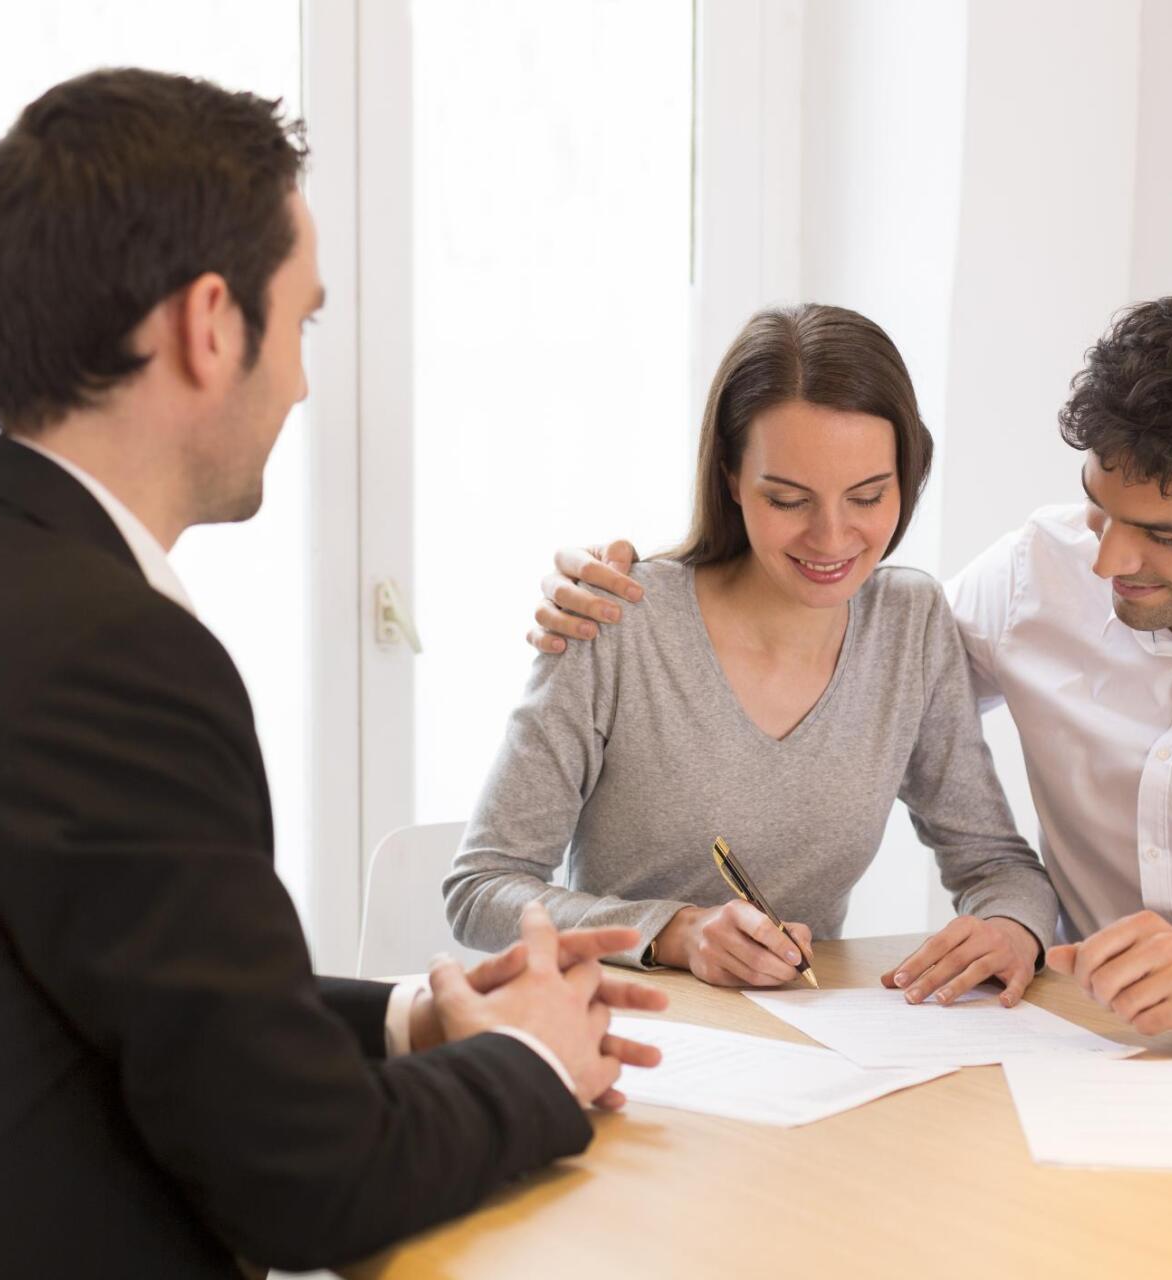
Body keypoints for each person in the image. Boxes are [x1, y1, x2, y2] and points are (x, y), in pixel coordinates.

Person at [0, 68, 666, 1280]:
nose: (297, 381)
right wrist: (532, 1062)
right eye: (303, 324)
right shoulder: (109, 657)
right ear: (210, 322)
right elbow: (310, 1186)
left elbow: (117, 990)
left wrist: (407, 1020)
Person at [532, 290, 1172, 1047]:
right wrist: (625, 598)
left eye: (1162, 536)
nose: (1108, 562)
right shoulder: (1034, 574)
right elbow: (844, 666)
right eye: (1100, 508)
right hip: (1093, 1051)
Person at [445, 304, 1058, 1000]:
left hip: (811, 1042)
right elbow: (480, 890)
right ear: (733, 477)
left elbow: (998, 866)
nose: (831, 539)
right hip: (628, 1031)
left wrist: (1011, 929)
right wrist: (674, 934)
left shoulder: (909, 624)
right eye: (788, 499)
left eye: (867, 495)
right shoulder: (617, 621)